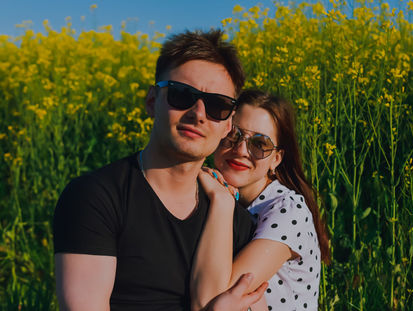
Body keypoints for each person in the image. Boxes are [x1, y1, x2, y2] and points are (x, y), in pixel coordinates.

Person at [53, 29, 263, 311]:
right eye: (181, 95)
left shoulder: (235, 221)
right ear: (152, 101)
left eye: (217, 105)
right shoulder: (95, 198)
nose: (199, 113)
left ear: (228, 125)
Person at [191, 90, 331, 311]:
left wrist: (220, 200)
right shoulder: (213, 193)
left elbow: (211, 299)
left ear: (276, 159)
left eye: (260, 144)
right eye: (233, 134)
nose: (240, 150)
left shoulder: (288, 209)